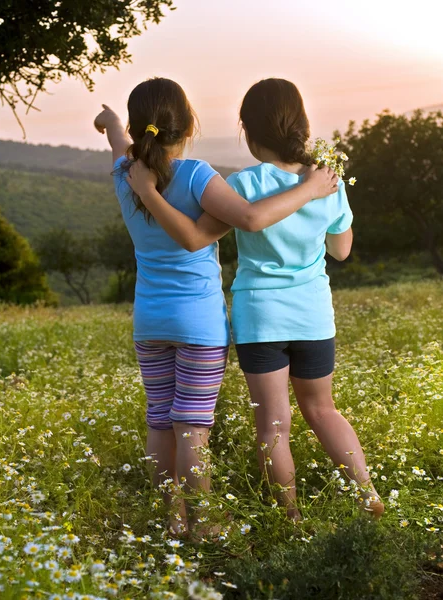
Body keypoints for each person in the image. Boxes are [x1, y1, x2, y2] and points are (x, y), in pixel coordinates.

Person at [126, 78, 384, 520]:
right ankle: (368, 495)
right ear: (301, 123)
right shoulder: (328, 179)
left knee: (273, 427)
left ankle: (291, 517)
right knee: (323, 410)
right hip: (314, 315)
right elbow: (341, 250)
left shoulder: (244, 183)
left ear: (246, 129)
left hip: (260, 316)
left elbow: (207, 232)